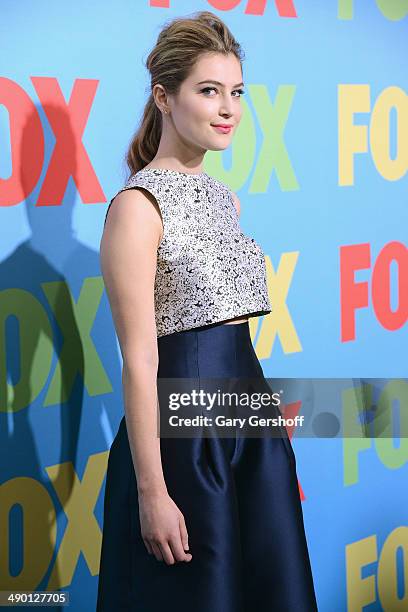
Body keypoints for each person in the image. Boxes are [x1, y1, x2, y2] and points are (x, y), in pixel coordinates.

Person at [96, 10, 318, 612]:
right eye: (209, 91)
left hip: (249, 426)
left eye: (237, 92)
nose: (228, 109)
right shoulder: (137, 207)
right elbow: (140, 359)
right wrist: (152, 492)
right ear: (164, 98)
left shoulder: (224, 198)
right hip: (184, 447)